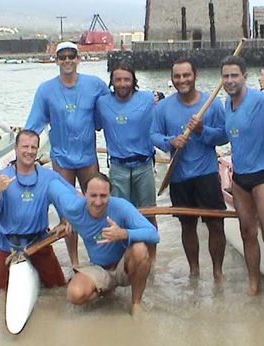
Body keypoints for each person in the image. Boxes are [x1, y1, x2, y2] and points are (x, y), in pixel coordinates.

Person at [220, 56, 264, 313]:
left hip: (263, 174)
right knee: (247, 233)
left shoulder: (261, 100)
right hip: (240, 177)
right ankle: (254, 285)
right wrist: (199, 132)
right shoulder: (226, 105)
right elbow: (224, 134)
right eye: (226, 76)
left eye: (234, 76)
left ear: (245, 76)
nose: (230, 81)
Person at [151, 58, 228, 282]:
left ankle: (217, 272)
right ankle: (194, 270)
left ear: (196, 75)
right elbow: (153, 134)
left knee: (215, 223)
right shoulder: (163, 107)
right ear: (172, 79)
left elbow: (224, 135)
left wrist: (203, 130)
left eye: (186, 75)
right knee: (187, 225)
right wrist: (170, 141)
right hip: (179, 176)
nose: (182, 80)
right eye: (177, 76)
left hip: (206, 174)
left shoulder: (212, 104)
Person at [48, 173, 159, 315]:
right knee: (74, 295)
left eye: (103, 196)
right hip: (98, 267)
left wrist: (124, 234)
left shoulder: (122, 207)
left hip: (123, 266)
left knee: (140, 249)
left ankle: (136, 303)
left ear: (110, 195)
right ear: (84, 194)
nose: (98, 202)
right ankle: (105, 290)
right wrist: (65, 220)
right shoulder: (72, 208)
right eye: (93, 196)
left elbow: (153, 234)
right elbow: (51, 184)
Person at [0, 129, 78, 290]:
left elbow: (74, 199)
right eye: (25, 147)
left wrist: (65, 220)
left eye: (33, 148)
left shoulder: (49, 177)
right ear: (15, 148)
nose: (29, 151)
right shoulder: (1, 178)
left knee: (58, 290)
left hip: (40, 243)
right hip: (8, 245)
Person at [25, 41, 110, 192]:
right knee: (65, 205)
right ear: (56, 60)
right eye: (62, 57)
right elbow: (33, 126)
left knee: (95, 204)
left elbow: (113, 109)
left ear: (78, 59)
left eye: (71, 56)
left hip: (88, 157)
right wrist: (22, 154)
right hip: (61, 158)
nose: (67, 60)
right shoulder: (45, 90)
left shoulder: (96, 85)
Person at [95, 62, 158, 262]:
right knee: (120, 216)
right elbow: (89, 124)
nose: (122, 83)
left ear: (133, 81)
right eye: (118, 79)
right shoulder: (102, 103)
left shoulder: (148, 98)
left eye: (126, 79)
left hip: (144, 165)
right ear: (112, 82)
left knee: (148, 213)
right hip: (118, 167)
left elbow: (168, 111)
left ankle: (152, 260)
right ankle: (123, 259)